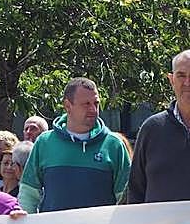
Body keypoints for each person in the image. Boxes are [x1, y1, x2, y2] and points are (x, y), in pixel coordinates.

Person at [18, 78, 130, 213]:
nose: (93, 109)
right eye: (86, 104)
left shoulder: (114, 145)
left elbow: (126, 199)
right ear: (67, 106)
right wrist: (25, 222)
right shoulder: (44, 142)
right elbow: (28, 194)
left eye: (96, 103)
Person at [127, 49, 190, 203]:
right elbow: (135, 191)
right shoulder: (152, 129)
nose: (187, 83)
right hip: (158, 220)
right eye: (181, 76)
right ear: (171, 80)